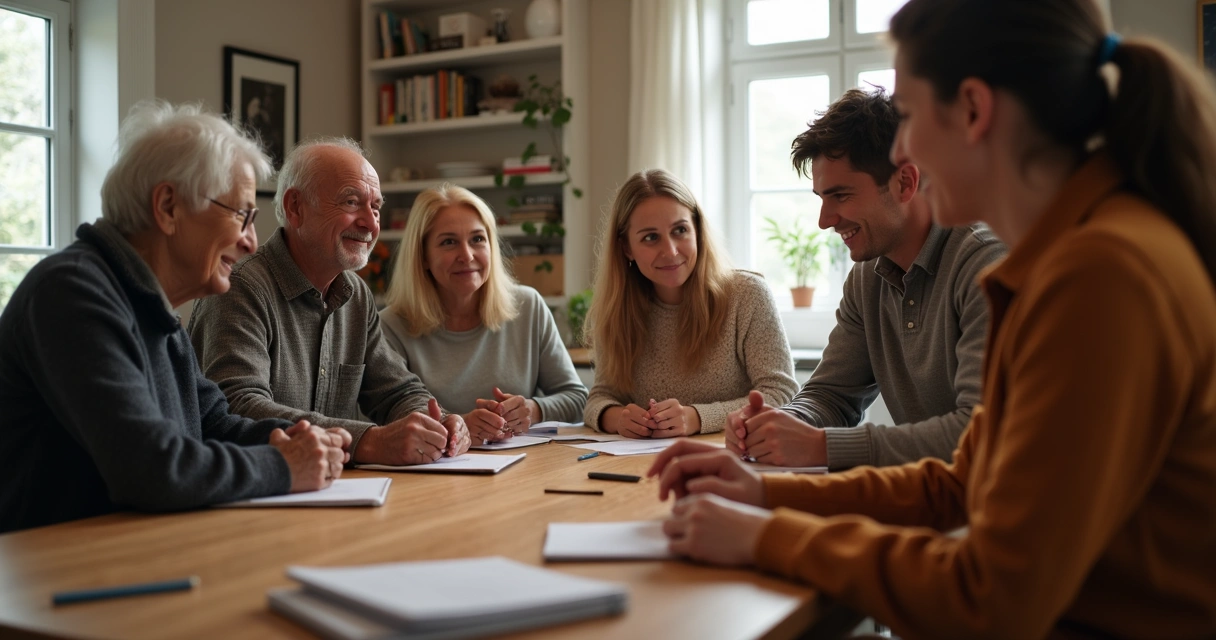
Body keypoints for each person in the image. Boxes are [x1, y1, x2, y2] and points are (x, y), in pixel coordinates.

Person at [649, 0, 1216, 636]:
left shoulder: (1102, 274)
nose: (907, 148)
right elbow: (960, 484)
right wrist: (764, 494)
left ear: (974, 110)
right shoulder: (1069, 256)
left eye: (912, 116)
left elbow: (990, 593)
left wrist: (767, 536)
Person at [0, 102, 349, 533]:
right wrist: (282, 464)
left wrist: (298, 438)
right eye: (241, 215)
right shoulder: (72, 292)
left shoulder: (149, 302)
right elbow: (151, 468)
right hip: (56, 577)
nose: (251, 243)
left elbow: (213, 424)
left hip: (134, 553)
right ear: (167, 206)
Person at [725, 88, 1006, 470]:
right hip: (934, 497)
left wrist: (822, 447)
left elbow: (978, 431)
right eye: (821, 198)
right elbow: (831, 396)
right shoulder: (866, 278)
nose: (824, 220)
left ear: (905, 183)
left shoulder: (984, 265)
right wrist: (778, 425)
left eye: (840, 195)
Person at [189, 138, 470, 466]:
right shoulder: (240, 287)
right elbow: (237, 407)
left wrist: (438, 423)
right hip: (256, 497)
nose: (371, 223)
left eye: (375, 207)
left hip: (328, 494)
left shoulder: (356, 295)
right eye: (352, 202)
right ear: (296, 208)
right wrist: (367, 442)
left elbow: (398, 392)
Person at [582, 169, 798, 437]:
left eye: (680, 230)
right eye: (650, 237)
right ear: (627, 248)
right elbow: (601, 396)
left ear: (698, 230)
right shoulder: (617, 312)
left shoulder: (748, 295)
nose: (671, 251)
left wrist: (697, 417)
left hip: (734, 459)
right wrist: (616, 418)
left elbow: (782, 394)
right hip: (644, 463)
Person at [378, 184, 587, 442]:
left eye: (477, 239)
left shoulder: (528, 306)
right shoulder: (390, 326)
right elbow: (386, 417)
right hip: (432, 472)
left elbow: (577, 398)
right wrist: (457, 425)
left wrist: (534, 410)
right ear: (422, 256)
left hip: (522, 466)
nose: (466, 255)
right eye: (449, 242)